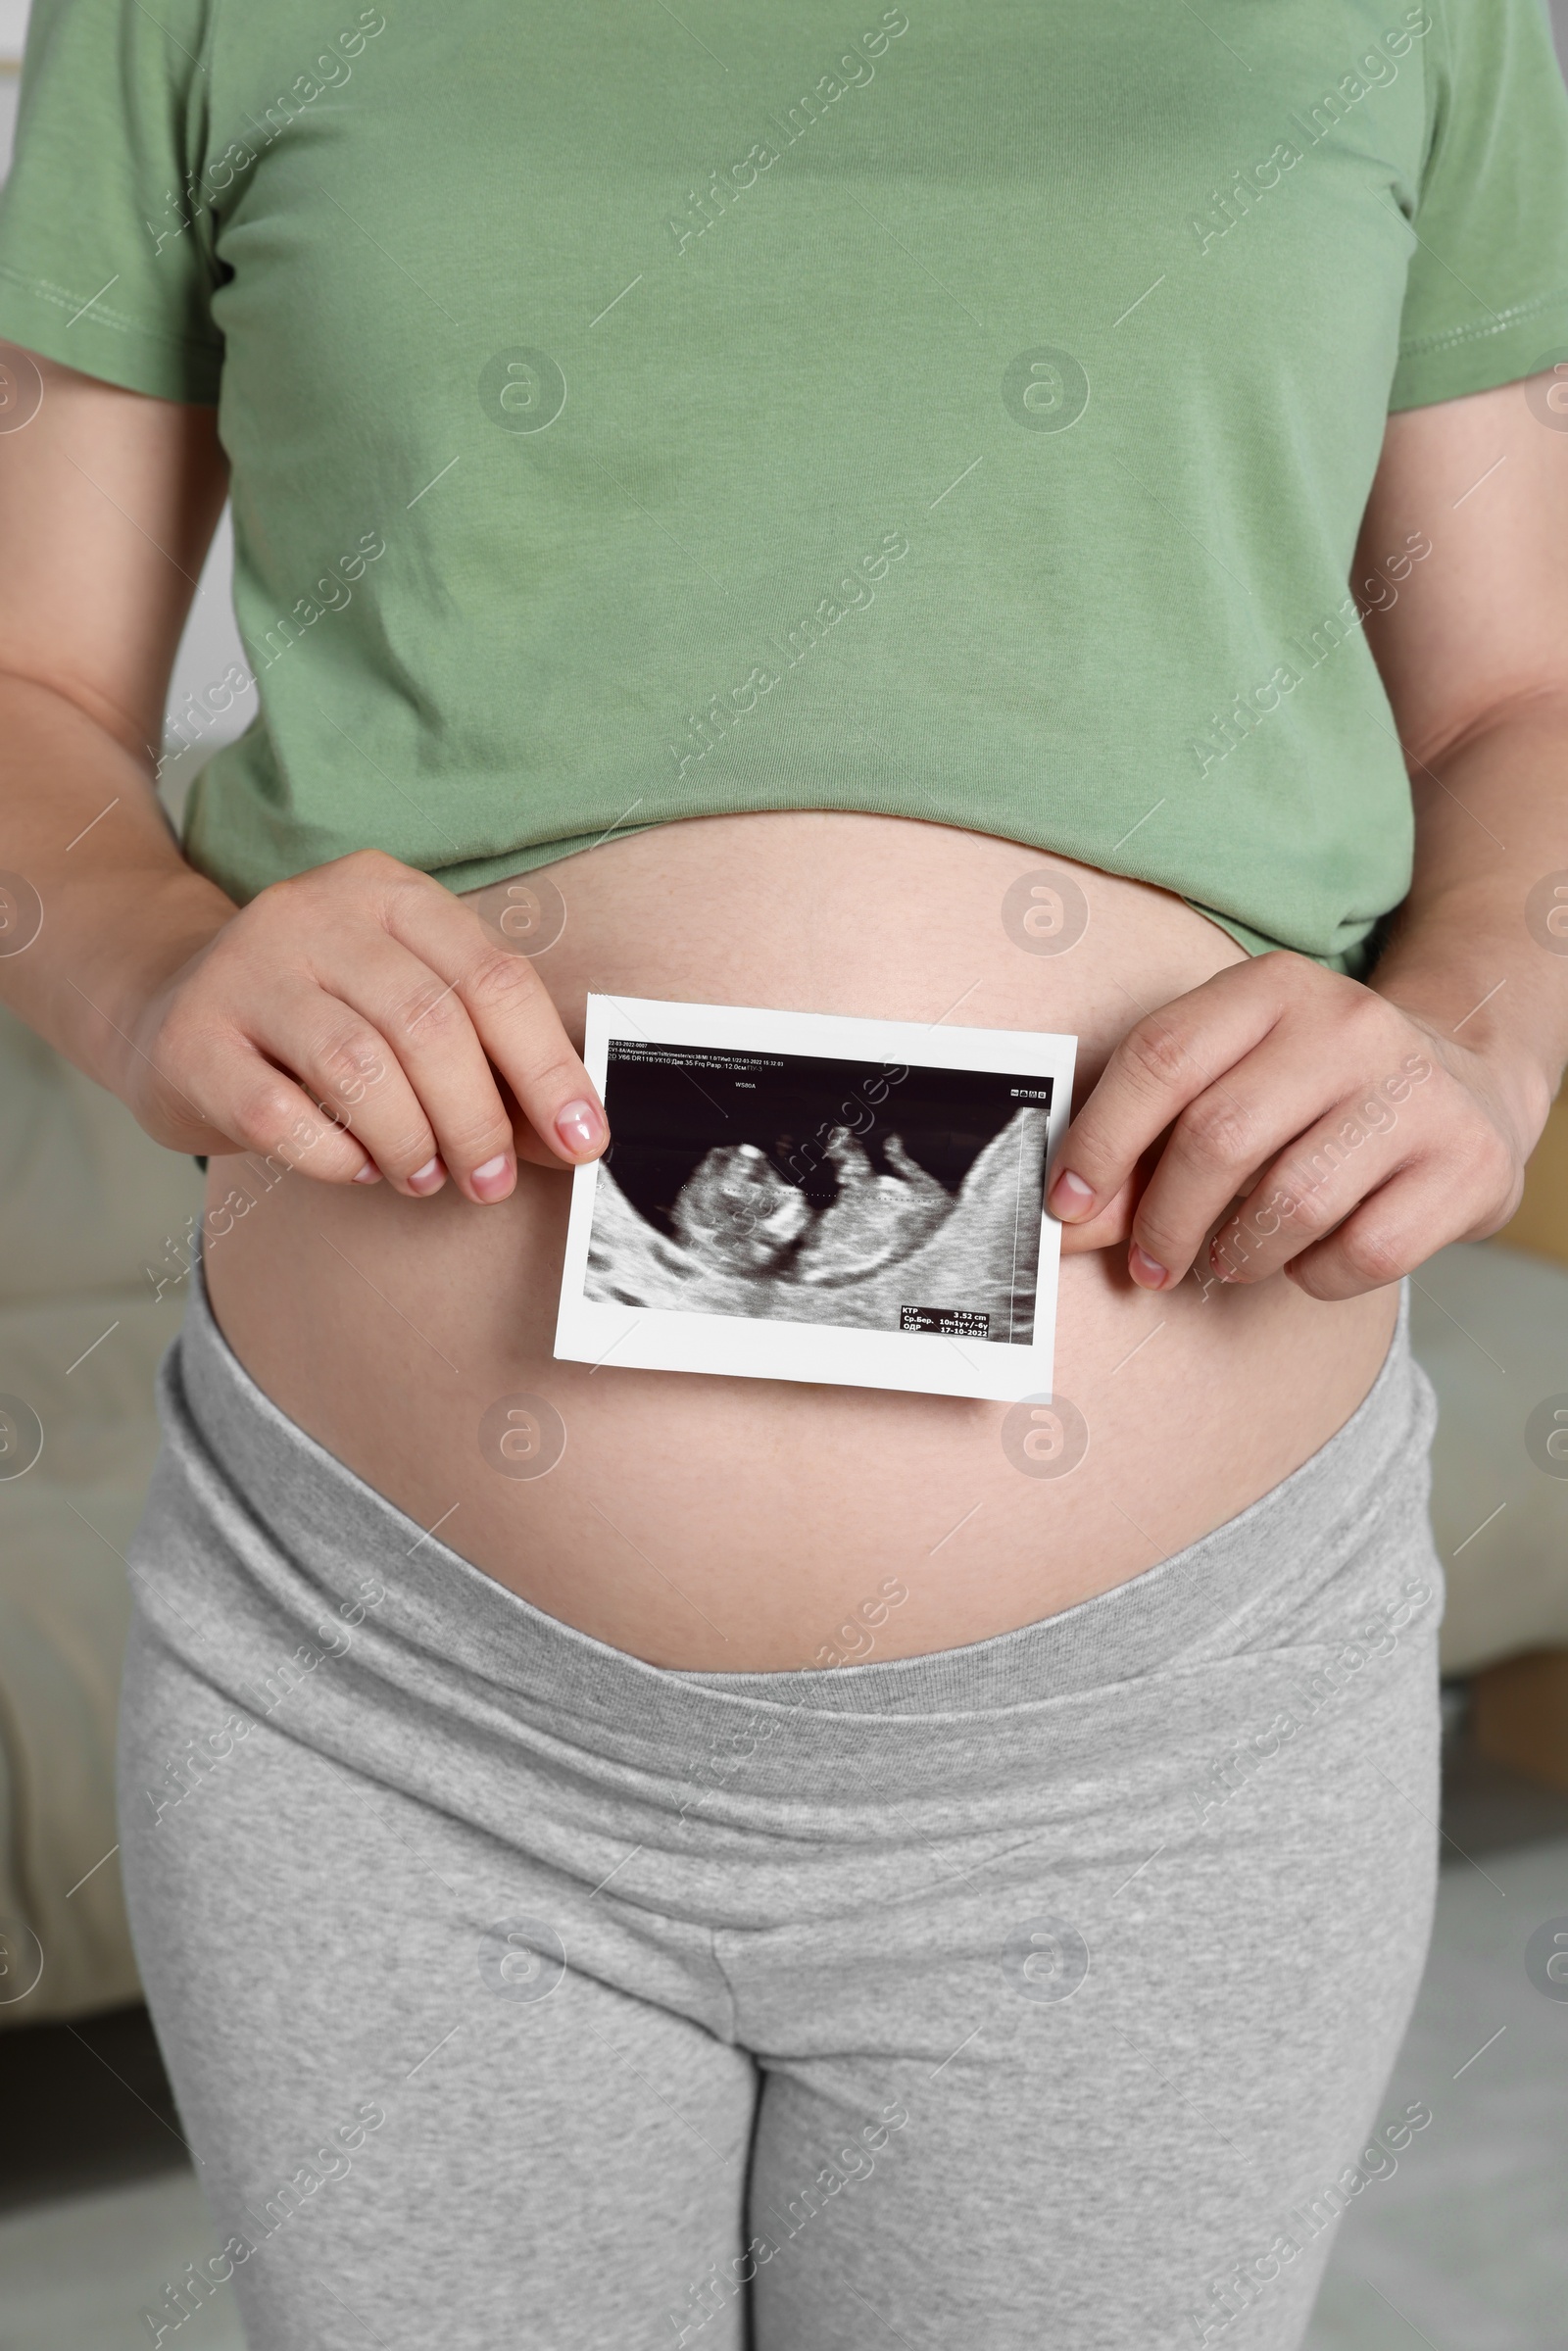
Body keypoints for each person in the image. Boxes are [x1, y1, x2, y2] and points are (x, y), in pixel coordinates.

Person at [2, 2, 1566, 2342]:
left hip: (1162, 1732)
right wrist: (133, 960)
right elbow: (28, 684)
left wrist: (1481, 1022)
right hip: (380, 1694)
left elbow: (1510, 698)